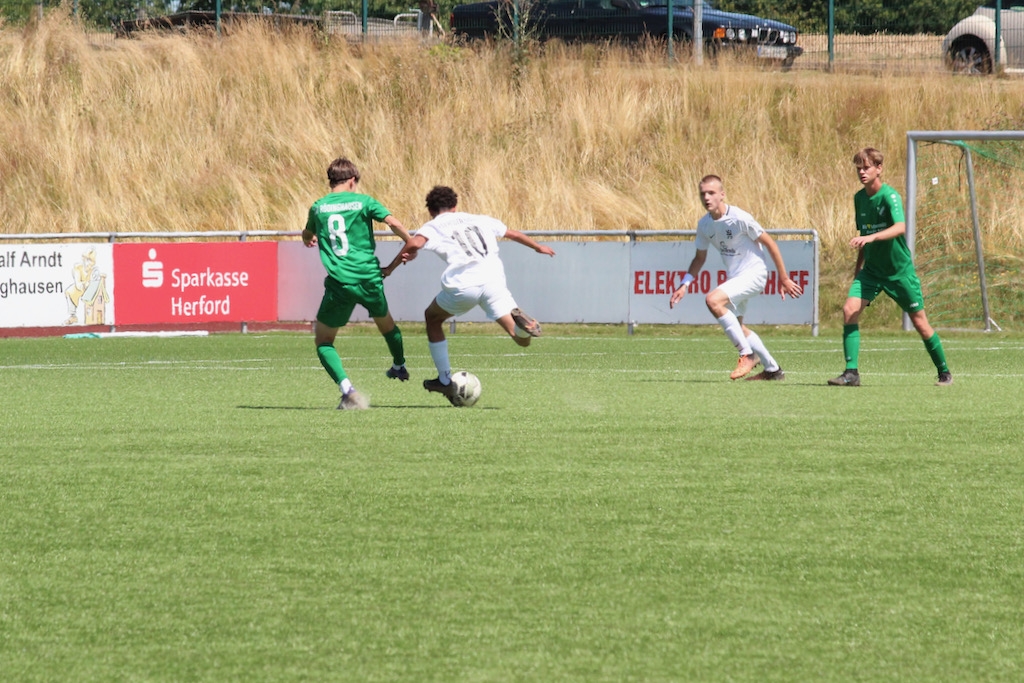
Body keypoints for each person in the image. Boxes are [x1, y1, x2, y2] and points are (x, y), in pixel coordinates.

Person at [388, 185, 555, 401]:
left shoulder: (433, 225)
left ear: (431, 210)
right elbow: (511, 233)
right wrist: (538, 247)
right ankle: (525, 328)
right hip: (493, 281)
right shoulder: (479, 219)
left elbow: (413, 243)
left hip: (464, 285)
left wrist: (391, 268)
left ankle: (444, 380)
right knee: (520, 339)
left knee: (432, 317)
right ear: (455, 206)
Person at [828, 148, 952, 387]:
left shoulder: (890, 196)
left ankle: (944, 372)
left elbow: (900, 227)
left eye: (866, 167)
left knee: (920, 323)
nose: (862, 172)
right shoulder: (859, 198)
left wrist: (871, 237)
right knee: (849, 310)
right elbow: (863, 235)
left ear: (879, 169)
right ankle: (851, 373)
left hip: (899, 272)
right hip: (872, 272)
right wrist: (858, 270)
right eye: (859, 168)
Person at [302, 157, 412, 410]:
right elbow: (393, 223)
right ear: (352, 181)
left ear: (331, 181)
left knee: (324, 341)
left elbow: (307, 233)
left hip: (340, 283)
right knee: (387, 326)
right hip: (369, 278)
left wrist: (307, 238)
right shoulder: (364, 202)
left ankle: (347, 390)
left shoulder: (318, 207)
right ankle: (399, 364)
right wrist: (411, 242)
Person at [669, 174, 803, 381]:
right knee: (738, 327)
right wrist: (684, 284)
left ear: (722, 195)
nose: (707, 198)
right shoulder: (704, 225)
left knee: (713, 300)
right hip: (736, 278)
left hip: (755, 274)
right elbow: (699, 258)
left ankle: (746, 354)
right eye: (703, 194)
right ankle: (773, 370)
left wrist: (784, 278)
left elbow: (770, 243)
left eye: (711, 193)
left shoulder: (739, 218)